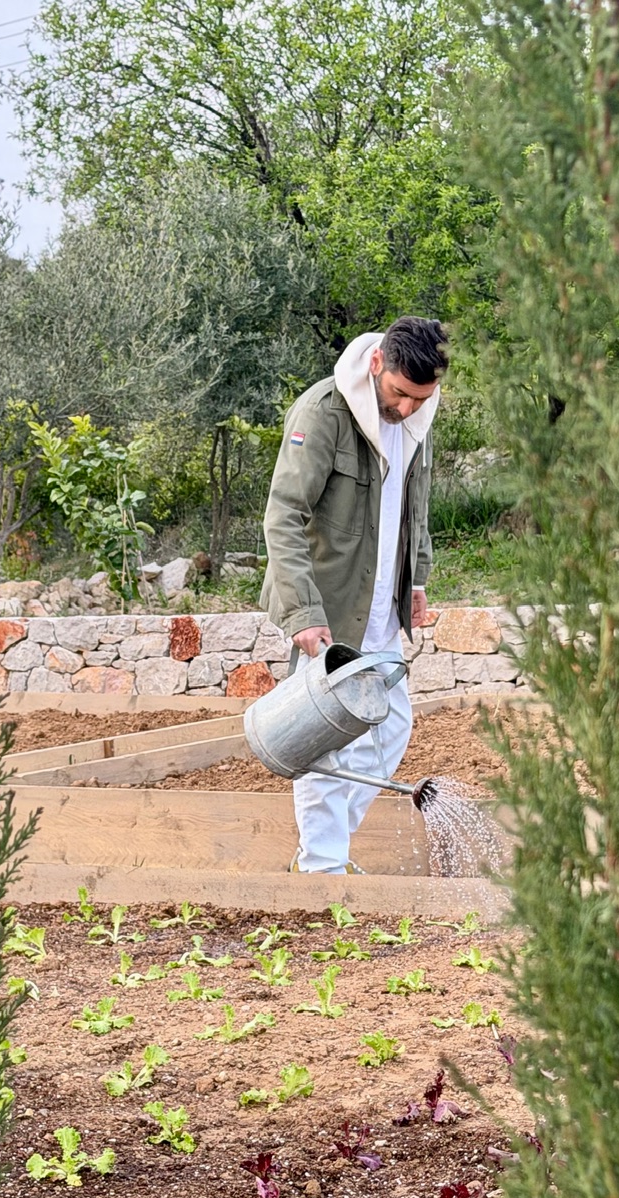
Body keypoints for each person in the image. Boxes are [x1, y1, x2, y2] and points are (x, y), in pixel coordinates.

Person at [260, 316, 448, 874]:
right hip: (330, 605)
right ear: (376, 364)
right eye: (400, 393)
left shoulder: (417, 415)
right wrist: (302, 610)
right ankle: (322, 868)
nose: (407, 408)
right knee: (323, 739)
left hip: (382, 607)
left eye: (421, 398)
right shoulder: (324, 413)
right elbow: (283, 515)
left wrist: (416, 579)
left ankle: (326, 852)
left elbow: (415, 506)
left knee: (391, 729)